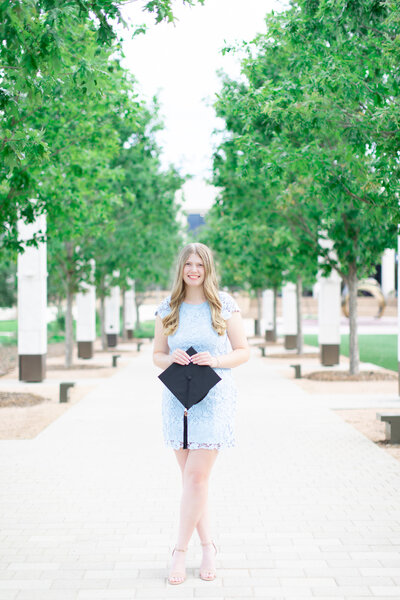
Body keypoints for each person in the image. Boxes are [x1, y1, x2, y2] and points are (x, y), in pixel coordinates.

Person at [153, 242, 250, 585]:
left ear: (208, 269)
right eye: (188, 264)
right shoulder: (169, 307)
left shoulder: (223, 305)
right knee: (195, 482)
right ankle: (208, 546)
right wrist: (172, 358)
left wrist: (217, 360)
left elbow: (243, 352)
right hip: (177, 400)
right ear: (181, 268)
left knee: (196, 478)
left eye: (200, 264)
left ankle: (179, 551)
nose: (193, 270)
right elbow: (157, 356)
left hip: (215, 398)